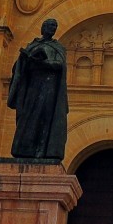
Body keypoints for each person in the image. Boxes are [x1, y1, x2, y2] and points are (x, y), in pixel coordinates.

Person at [7, 18, 68, 160]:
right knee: (27, 116)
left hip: (49, 86)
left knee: (45, 117)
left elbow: (60, 65)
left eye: (55, 26)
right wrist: (25, 59)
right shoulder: (32, 45)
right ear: (43, 27)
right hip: (32, 86)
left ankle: (42, 150)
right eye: (50, 25)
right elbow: (19, 66)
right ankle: (23, 150)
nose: (52, 28)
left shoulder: (58, 47)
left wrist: (44, 63)